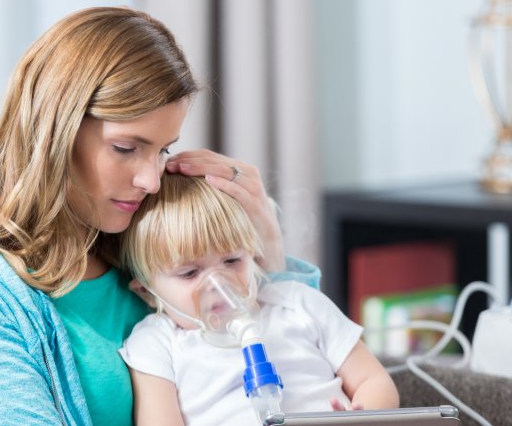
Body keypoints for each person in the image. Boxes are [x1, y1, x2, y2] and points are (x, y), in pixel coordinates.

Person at [0, 6, 320, 426]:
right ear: (55, 132)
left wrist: (266, 238)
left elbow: (304, 373)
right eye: (126, 148)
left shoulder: (140, 240)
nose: (152, 181)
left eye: (163, 151)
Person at [118, 174, 400, 426]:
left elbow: (373, 381)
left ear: (252, 255)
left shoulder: (296, 303)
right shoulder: (156, 344)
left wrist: (362, 418)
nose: (218, 284)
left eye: (232, 260)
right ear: (147, 292)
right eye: (190, 272)